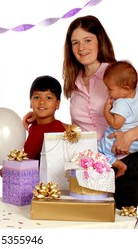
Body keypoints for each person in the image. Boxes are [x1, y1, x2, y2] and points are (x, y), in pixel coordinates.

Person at [25, 15, 138, 209]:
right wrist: (44, 117)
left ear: (99, 41)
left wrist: (129, 135)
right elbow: (81, 130)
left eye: (87, 40)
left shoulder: (118, 75)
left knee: (123, 224)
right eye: (75, 43)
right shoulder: (73, 82)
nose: (81, 48)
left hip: (126, 162)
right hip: (92, 169)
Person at [98, 60, 138, 178]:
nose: (107, 92)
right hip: (135, 143)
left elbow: (116, 124)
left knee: (98, 151)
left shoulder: (121, 103)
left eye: (110, 89)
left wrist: (106, 111)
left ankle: (119, 165)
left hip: (118, 138)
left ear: (125, 89)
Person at [24, 75, 67, 160]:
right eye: (37, 97)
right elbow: (28, 158)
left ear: (57, 104)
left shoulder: (59, 129)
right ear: (30, 102)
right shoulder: (32, 128)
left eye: (48, 98)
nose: (42, 102)